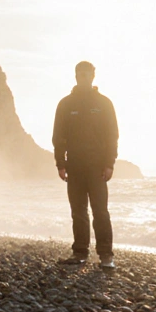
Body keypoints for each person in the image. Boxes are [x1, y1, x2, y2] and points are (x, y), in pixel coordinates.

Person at [52, 61, 119, 267]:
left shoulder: (104, 103)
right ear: (75, 76)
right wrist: (60, 164)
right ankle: (80, 253)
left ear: (93, 75)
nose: (83, 77)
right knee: (78, 211)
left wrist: (110, 164)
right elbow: (58, 136)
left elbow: (112, 136)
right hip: (74, 167)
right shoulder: (65, 104)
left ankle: (106, 256)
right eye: (80, 74)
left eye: (87, 74)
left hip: (98, 168)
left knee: (100, 211)